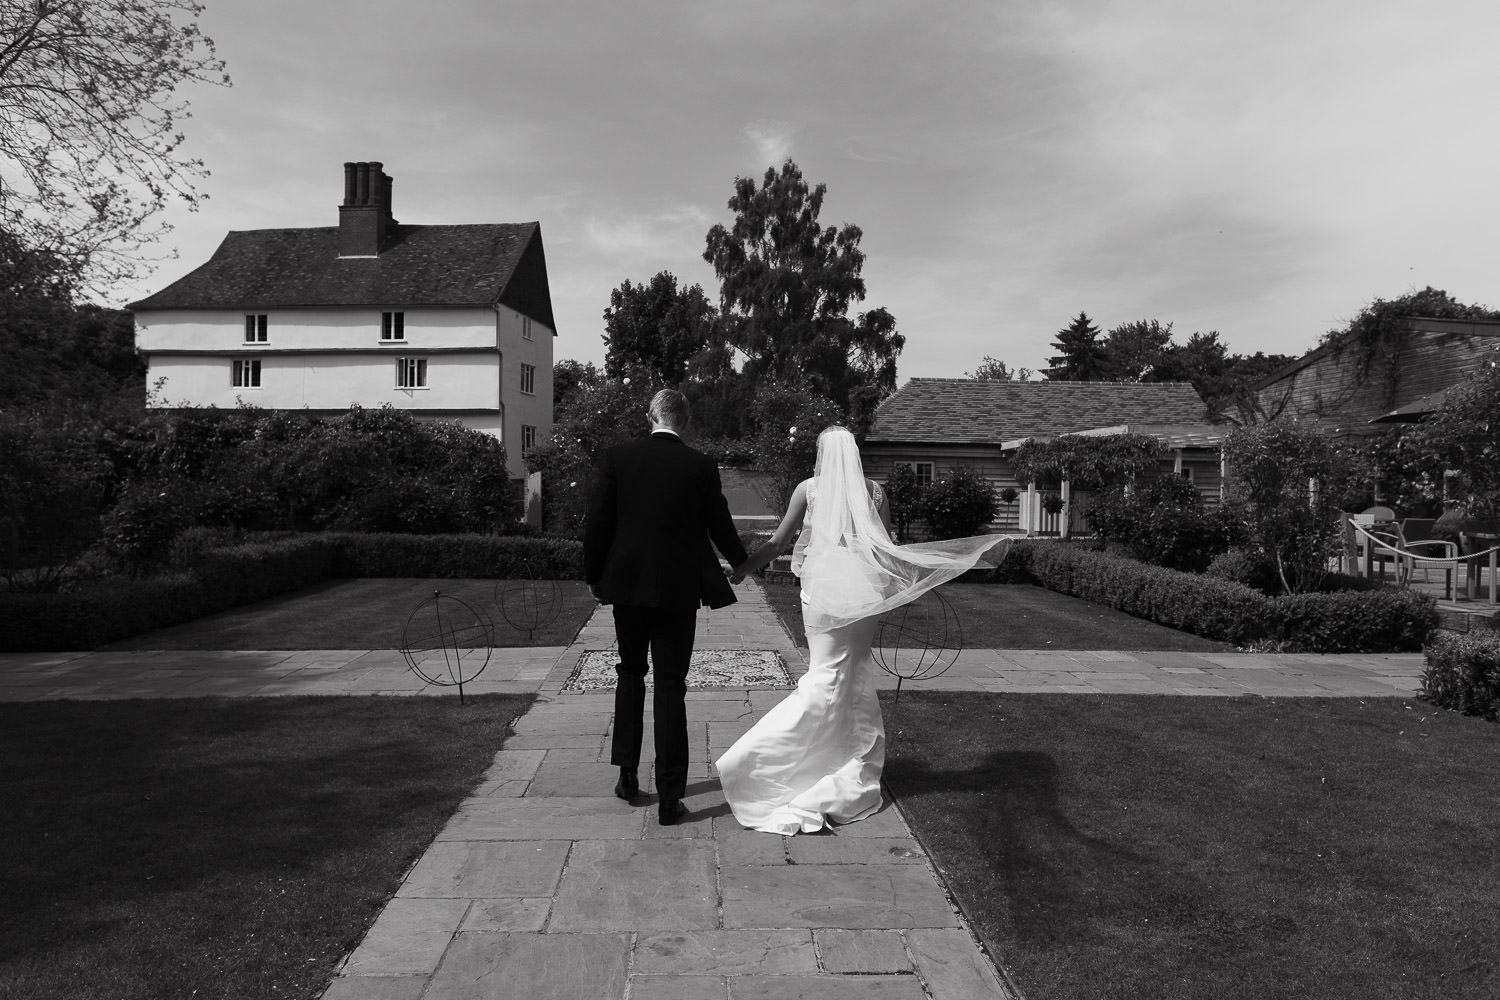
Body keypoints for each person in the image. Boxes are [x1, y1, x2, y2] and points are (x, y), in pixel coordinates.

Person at [717, 425, 1006, 835]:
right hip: (863, 591)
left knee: (827, 675)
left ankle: (754, 759)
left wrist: (743, 570)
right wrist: (908, 582)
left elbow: (780, 543)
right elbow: (885, 547)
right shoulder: (875, 492)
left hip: (822, 593)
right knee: (851, 674)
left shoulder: (808, 489)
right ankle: (842, 762)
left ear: (822, 455)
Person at [584, 389, 749, 826]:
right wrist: (743, 564)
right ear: (686, 421)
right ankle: (672, 797)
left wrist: (594, 578)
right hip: (678, 591)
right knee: (672, 685)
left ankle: (627, 775)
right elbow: (720, 523)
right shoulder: (699, 465)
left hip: (629, 589)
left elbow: (598, 522)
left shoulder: (618, 457)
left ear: (649, 416)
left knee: (630, 673)